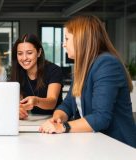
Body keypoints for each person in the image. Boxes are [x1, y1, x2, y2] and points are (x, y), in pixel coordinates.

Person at [40, 15, 136, 148]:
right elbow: (67, 105)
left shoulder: (106, 63)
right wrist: (58, 117)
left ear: (81, 40)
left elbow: (101, 118)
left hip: (118, 146)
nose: (63, 44)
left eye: (67, 39)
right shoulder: (82, 67)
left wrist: (63, 126)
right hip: (97, 143)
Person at [10, 34, 63, 119]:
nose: (24, 58)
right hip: (34, 119)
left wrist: (36, 101)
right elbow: (18, 103)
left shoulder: (54, 70)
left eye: (29, 53)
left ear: (39, 53)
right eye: (20, 54)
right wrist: (19, 110)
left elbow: (52, 102)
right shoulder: (18, 73)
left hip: (56, 118)